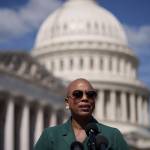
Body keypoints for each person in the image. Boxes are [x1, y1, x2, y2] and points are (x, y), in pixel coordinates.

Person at [34, 78, 130, 150]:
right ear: (67, 103)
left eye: (90, 94)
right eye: (77, 94)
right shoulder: (51, 136)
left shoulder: (112, 136)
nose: (85, 98)